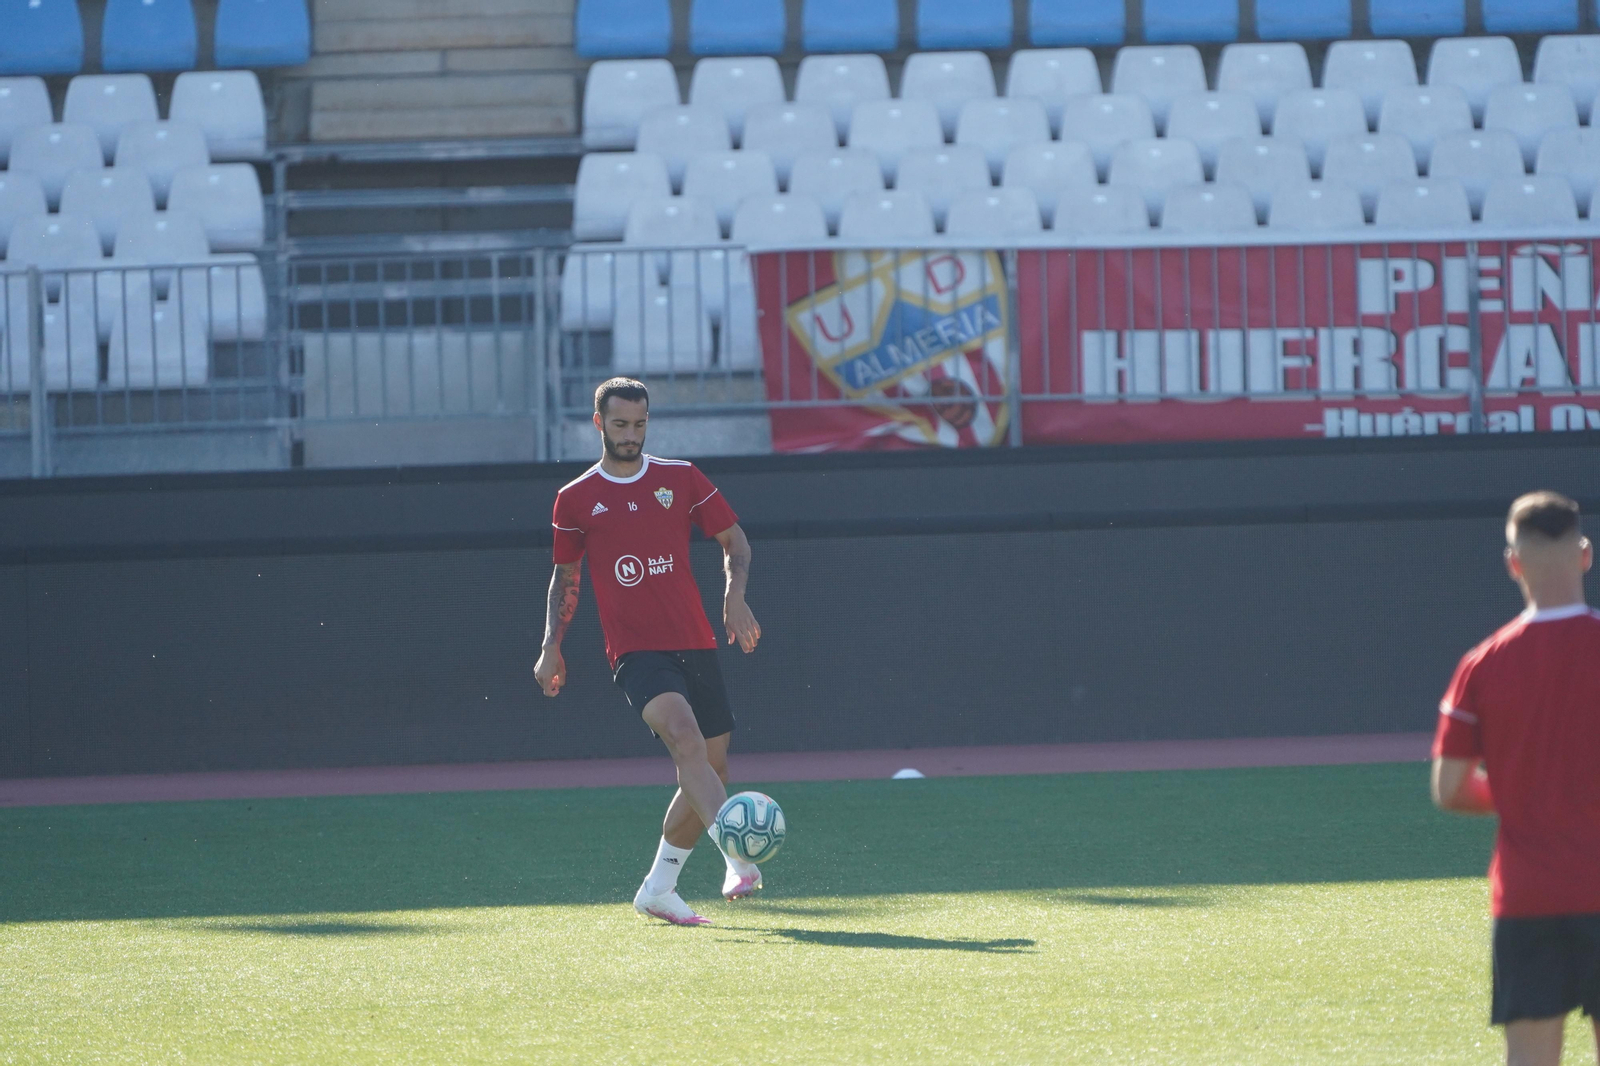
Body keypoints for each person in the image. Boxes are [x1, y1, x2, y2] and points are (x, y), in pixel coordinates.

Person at [534, 377, 764, 926]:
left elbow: (737, 542)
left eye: (639, 424)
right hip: (636, 652)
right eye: (619, 425)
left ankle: (658, 888)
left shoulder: (680, 478)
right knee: (684, 738)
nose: (630, 435)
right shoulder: (575, 498)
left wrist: (735, 599)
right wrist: (550, 646)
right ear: (598, 424)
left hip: (696, 639)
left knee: (710, 766)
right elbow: (565, 578)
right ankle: (736, 856)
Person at [1433, 490, 1600, 1066]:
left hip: (1526, 895)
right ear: (1585, 555)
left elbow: (1449, 789)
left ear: (1512, 563)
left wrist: (1518, 794)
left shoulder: (1482, 663)